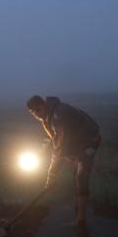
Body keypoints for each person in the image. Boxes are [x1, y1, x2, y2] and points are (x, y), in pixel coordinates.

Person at [27, 95, 101, 226]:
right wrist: (40, 153)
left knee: (81, 176)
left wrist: (52, 175)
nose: (36, 115)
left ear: (43, 104)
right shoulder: (48, 116)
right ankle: (77, 206)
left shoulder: (58, 115)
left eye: (37, 110)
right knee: (75, 173)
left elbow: (60, 148)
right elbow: (53, 138)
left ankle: (81, 220)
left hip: (89, 142)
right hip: (76, 143)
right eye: (33, 113)